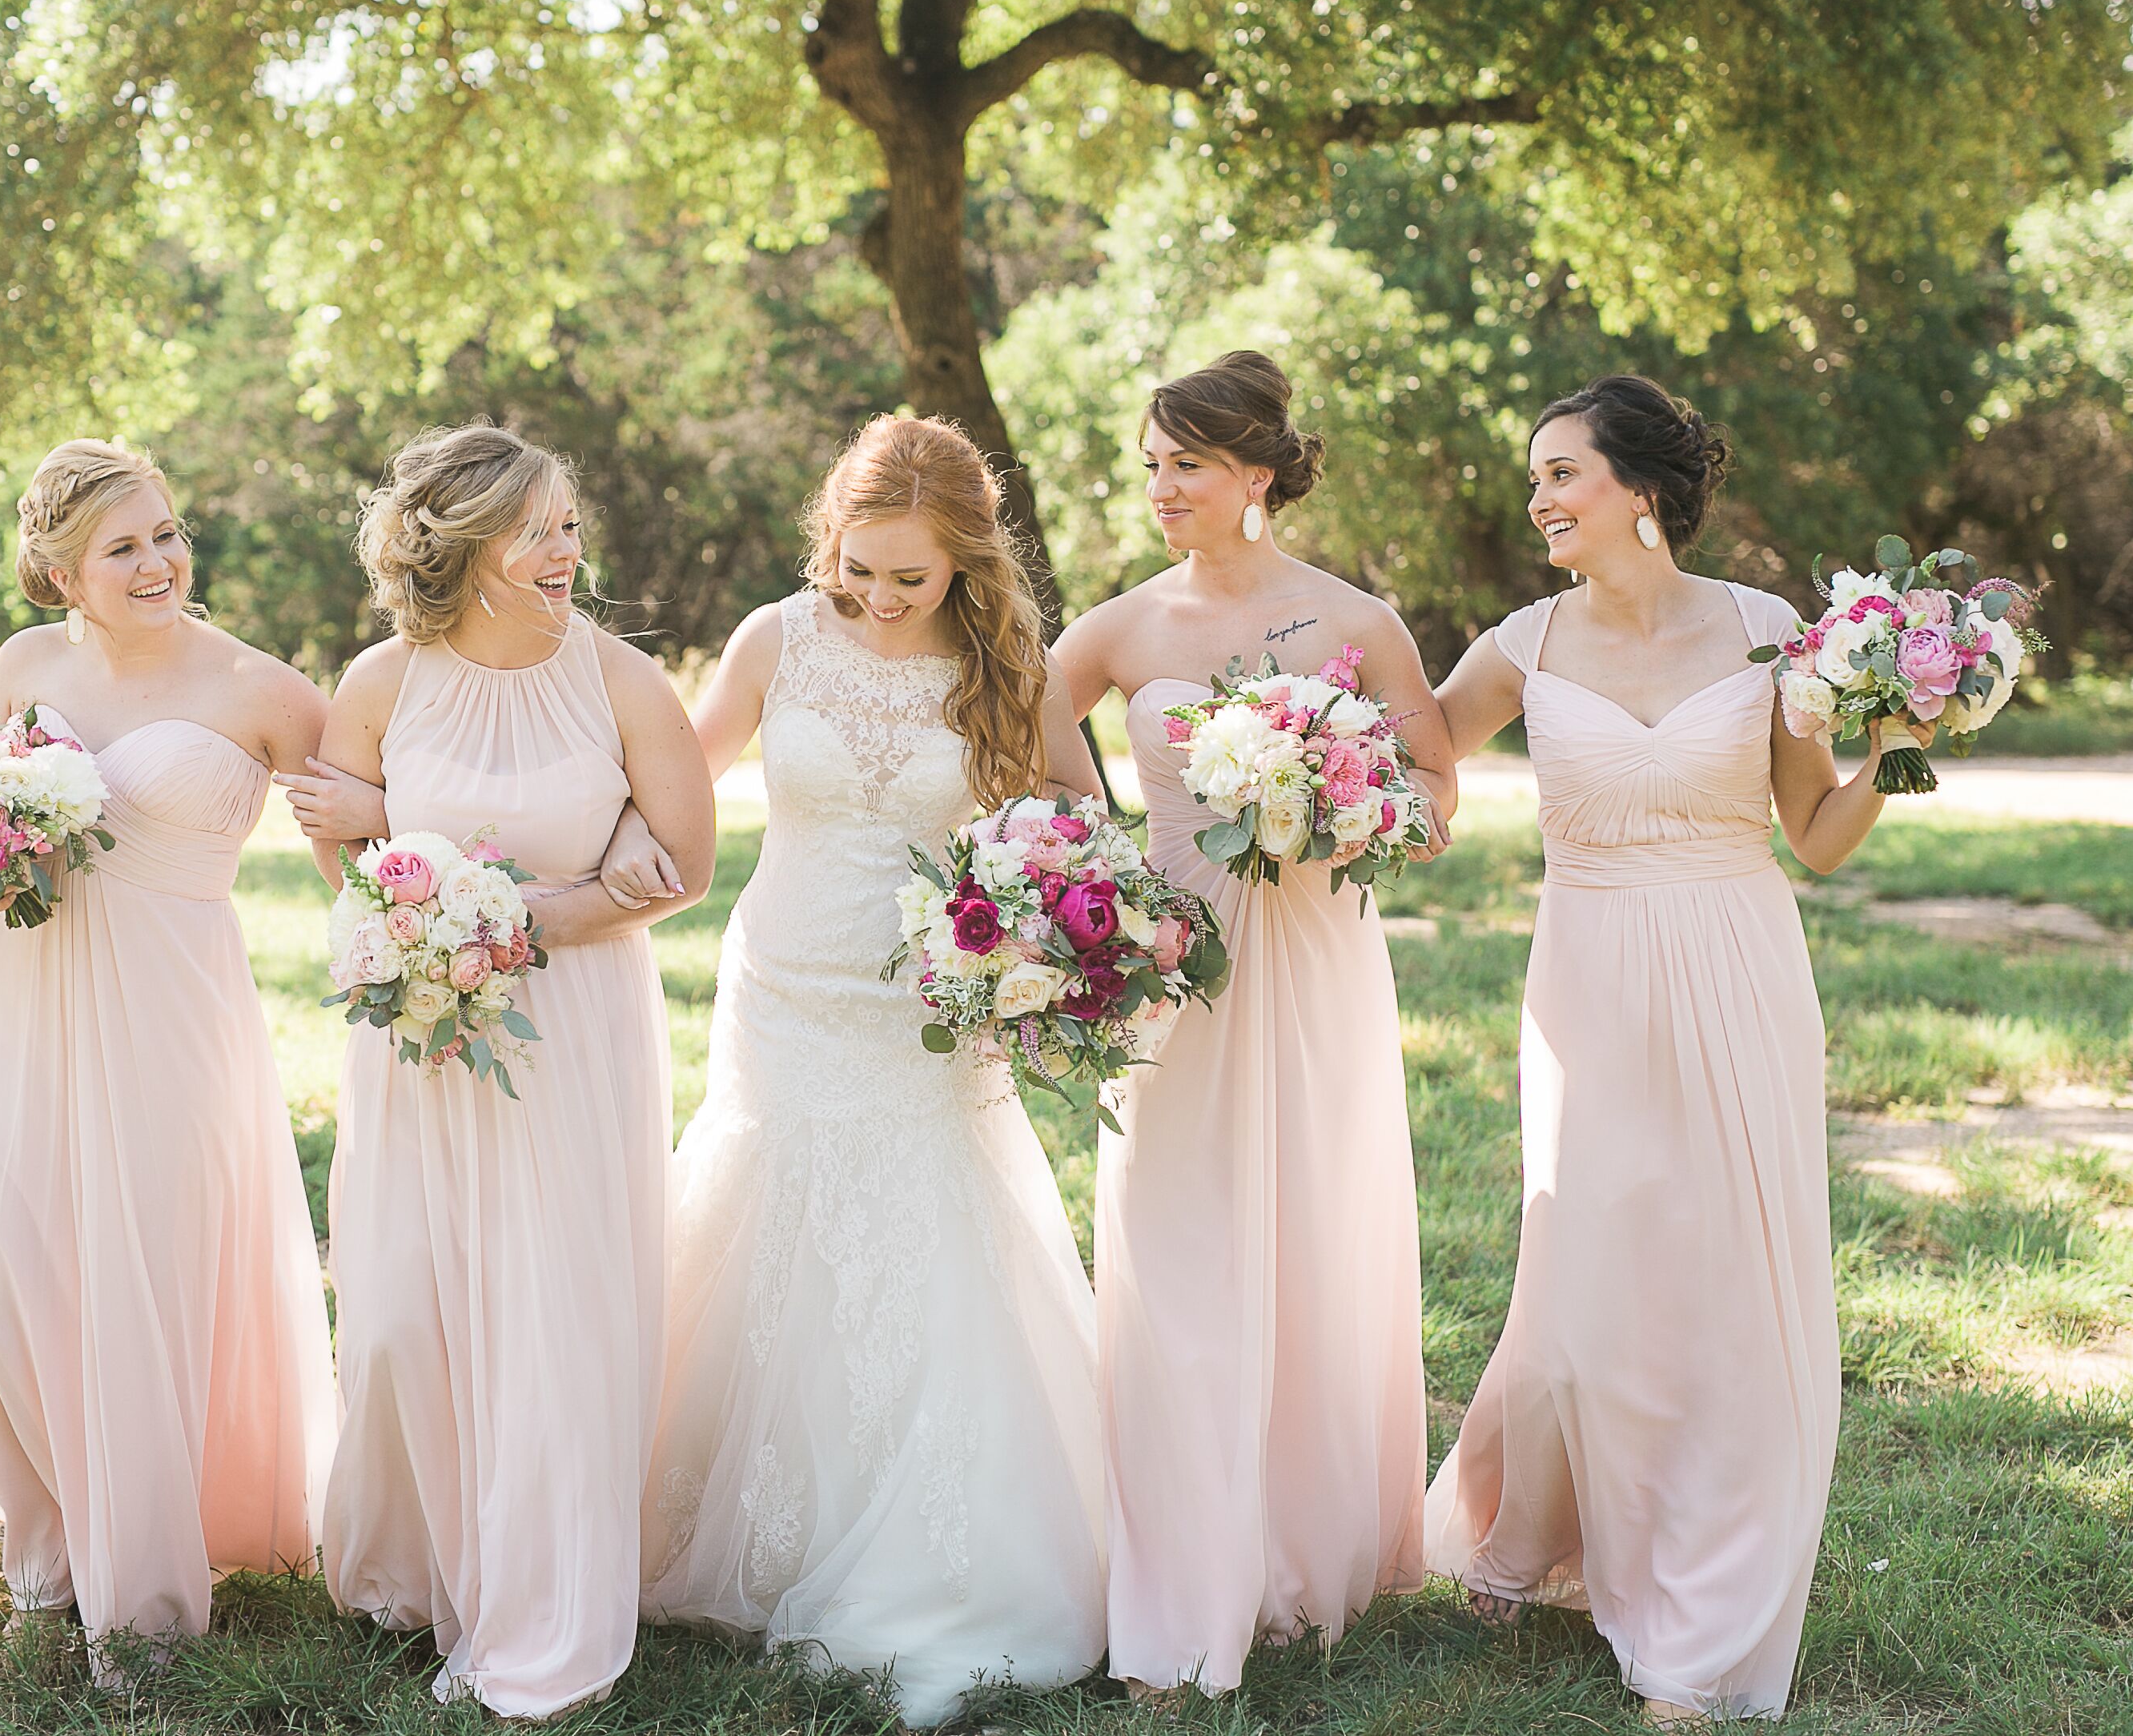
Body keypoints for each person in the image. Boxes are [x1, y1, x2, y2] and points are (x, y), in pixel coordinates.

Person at [608, 416, 1109, 1725]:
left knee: (921, 1235)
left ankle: (927, 1540)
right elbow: (678, 767)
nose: (877, 599)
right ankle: (738, 1523)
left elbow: (1077, 814)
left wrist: (1030, 899)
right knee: (766, 1214)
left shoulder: (1006, 657)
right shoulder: (777, 637)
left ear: (963, 564)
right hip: (780, 983)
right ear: (826, 539)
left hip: (931, 997)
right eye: (857, 567)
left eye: (909, 578)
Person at [1422, 375, 1898, 1724]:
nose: (1539, 500)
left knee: (1723, 1282)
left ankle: (1701, 1596)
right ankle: (1533, 1526)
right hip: (1584, 978)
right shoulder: (1520, 644)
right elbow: (1412, 757)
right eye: (1537, 479)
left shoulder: (1769, 635)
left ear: (1637, 490)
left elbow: (1814, 833)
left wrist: (1903, 747)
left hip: (1737, 962)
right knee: (1584, 1274)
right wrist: (1292, 773)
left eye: (1561, 474)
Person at [288, 422, 717, 1717]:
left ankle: (545, 1590)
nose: (565, 550)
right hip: (421, 1040)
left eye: (568, 524)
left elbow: (681, 869)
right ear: (464, 546)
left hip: (571, 1036)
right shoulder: (381, 680)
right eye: (536, 530)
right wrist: (418, 914)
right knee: (411, 1307)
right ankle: (423, 1563)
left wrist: (544, 916)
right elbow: (342, 852)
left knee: (550, 1306)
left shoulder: (620, 682)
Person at [1050, 350, 1455, 1695]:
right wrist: (1088, 881)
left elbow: (1434, 789)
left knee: (1311, 1220)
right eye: (1152, 463)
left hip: (1318, 953)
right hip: (1180, 958)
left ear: (1257, 477)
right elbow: (1036, 750)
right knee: (1174, 1234)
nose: (1161, 489)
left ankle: (1306, 1533)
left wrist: (1347, 806)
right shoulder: (1118, 630)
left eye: (1189, 466)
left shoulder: (1354, 619)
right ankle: (1177, 1547)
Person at [0, 440, 335, 1674]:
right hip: (32, 994)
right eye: (124, 547)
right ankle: (53, 1538)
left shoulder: (263, 690)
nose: (160, 560)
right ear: (60, 573)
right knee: (3, 1263)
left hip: (176, 1008)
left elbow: (367, 869)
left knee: (147, 1273)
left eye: (166, 532)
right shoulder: (20, 668)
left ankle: (144, 1597)